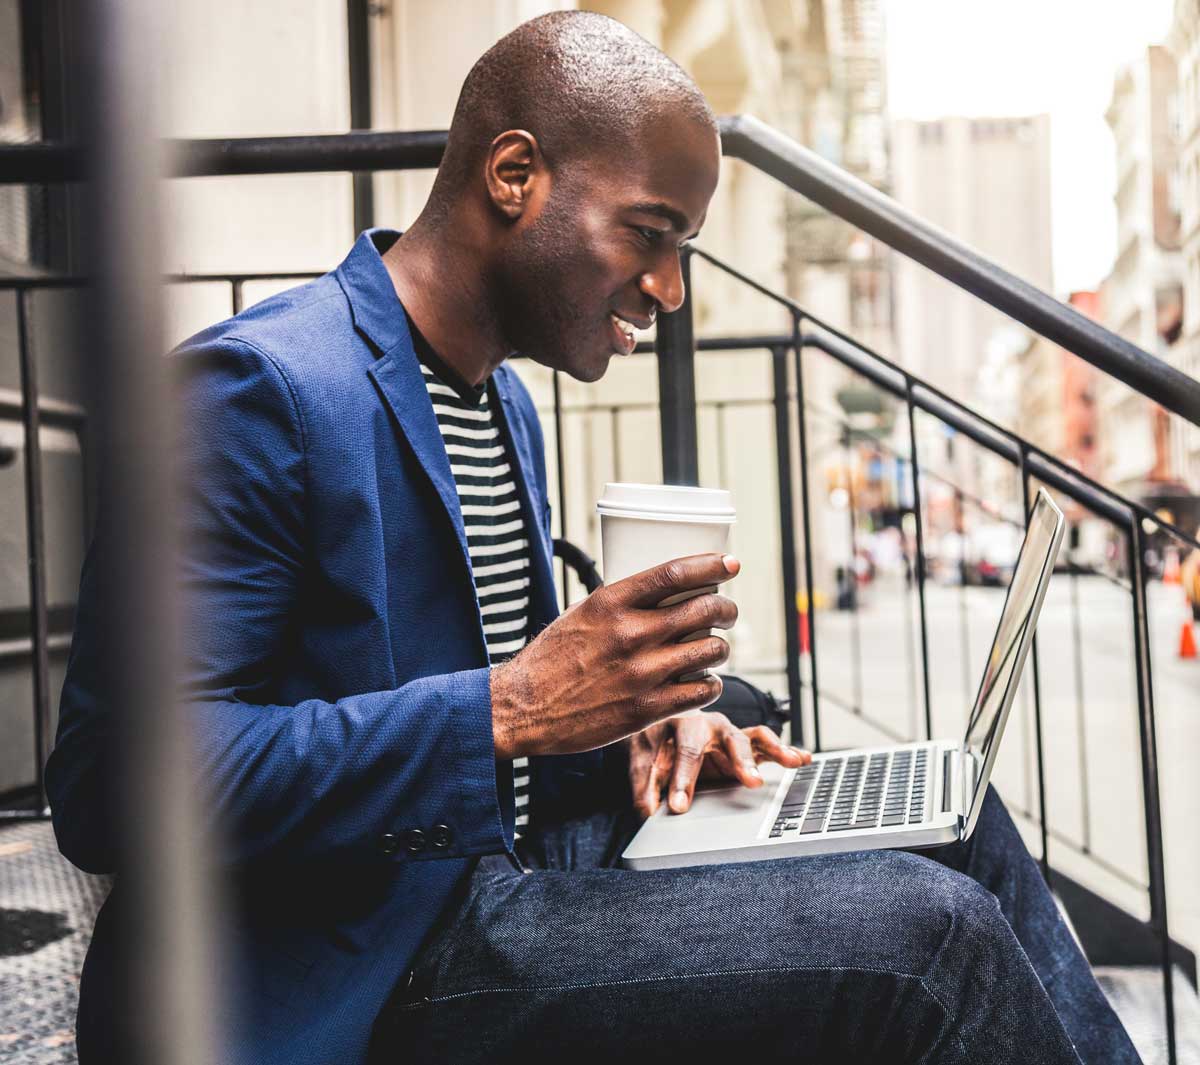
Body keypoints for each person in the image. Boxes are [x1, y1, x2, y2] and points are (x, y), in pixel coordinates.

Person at [46, 12, 1140, 1065]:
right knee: (927, 942)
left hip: (510, 867)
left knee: (959, 815)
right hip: (371, 960)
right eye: (651, 235)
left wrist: (631, 741)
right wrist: (516, 706)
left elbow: (499, 730)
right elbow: (112, 789)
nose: (669, 288)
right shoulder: (257, 391)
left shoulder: (499, 404)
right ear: (514, 176)